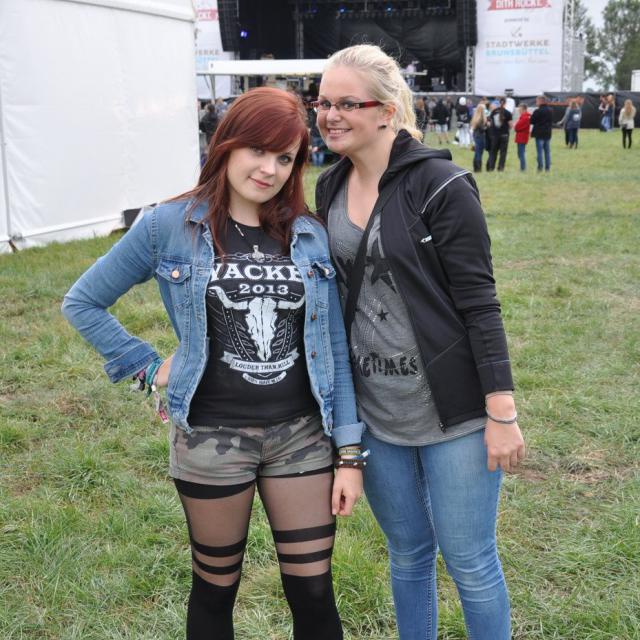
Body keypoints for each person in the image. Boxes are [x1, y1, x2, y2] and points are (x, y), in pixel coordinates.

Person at [62, 87, 365, 640]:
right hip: (210, 440)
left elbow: (333, 350)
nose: (269, 169)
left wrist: (348, 453)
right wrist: (146, 366)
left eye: (285, 158)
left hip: (301, 437)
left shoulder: (309, 234)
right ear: (226, 144)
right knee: (215, 588)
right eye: (258, 150)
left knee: (314, 591)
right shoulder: (168, 225)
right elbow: (83, 301)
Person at [313, 44, 525, 640]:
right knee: (407, 556)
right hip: (377, 414)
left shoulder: (441, 184)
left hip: (454, 412)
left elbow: (480, 303)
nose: (329, 115)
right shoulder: (329, 187)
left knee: (470, 562)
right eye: (322, 103)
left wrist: (501, 411)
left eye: (346, 103)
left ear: (386, 111)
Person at [487, 97, 512, 171]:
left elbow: (489, 123)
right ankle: (500, 168)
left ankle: (491, 167)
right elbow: (511, 125)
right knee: (503, 153)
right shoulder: (508, 113)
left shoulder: (494, 112)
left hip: (495, 135)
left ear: (499, 102)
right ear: (505, 103)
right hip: (504, 135)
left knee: (493, 152)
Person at [529, 95, 553, 173]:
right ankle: (547, 168)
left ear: (541, 101)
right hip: (547, 133)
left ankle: (540, 167)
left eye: (537, 101)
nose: (536, 102)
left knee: (540, 152)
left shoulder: (537, 111)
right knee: (547, 152)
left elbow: (531, 121)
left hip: (539, 133)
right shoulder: (550, 110)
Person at [470, 103, 488, 173]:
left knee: (477, 152)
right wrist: (487, 126)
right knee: (479, 152)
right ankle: (478, 168)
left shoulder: (475, 117)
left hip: (476, 136)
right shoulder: (481, 118)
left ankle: (476, 168)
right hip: (480, 136)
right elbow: (482, 128)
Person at [513, 103, 531, 171]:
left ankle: (523, 168)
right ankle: (522, 167)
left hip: (522, 137)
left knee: (521, 153)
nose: (519, 111)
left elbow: (517, 127)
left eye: (520, 110)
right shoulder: (525, 117)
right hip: (522, 137)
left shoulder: (525, 117)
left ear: (524, 109)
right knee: (520, 153)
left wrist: (515, 126)